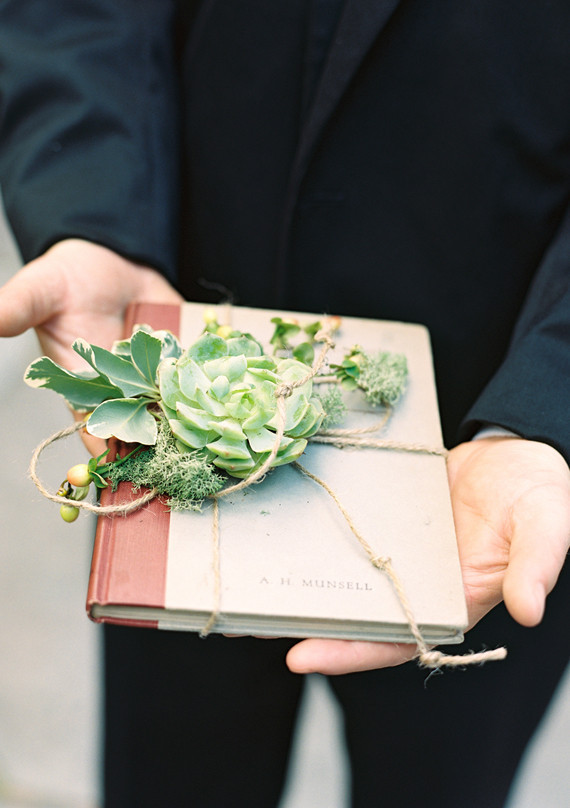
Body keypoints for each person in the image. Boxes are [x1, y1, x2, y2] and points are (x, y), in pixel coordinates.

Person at [0, 2, 568, 806]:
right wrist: (94, 211)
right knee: (174, 774)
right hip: (178, 408)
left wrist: (551, 398)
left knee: (443, 779)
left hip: (486, 468)